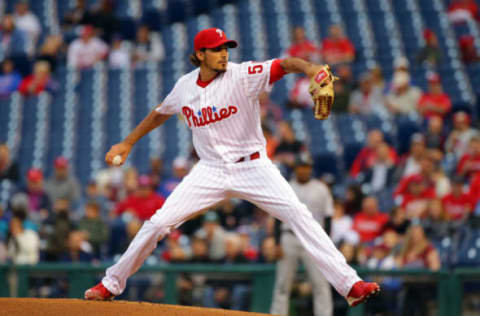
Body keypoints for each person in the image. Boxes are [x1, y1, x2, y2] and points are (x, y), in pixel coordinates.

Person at [84, 27, 379, 305]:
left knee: (299, 214)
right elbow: (160, 113)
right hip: (209, 170)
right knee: (159, 223)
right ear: (200, 54)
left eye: (226, 48)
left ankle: (350, 285)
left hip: (253, 167)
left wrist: (311, 69)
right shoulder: (185, 86)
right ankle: (111, 284)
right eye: (216, 50)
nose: (224, 54)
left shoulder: (242, 74)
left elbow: (284, 65)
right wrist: (128, 142)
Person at [270, 154, 334, 316]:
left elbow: (328, 218)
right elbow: (278, 217)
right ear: (296, 168)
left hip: (313, 238)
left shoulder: (321, 188)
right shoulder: (286, 187)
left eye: (307, 166)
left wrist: (325, 244)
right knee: (283, 284)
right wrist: (277, 242)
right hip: (289, 237)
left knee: (320, 283)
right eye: (301, 166)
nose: (304, 170)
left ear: (311, 168)